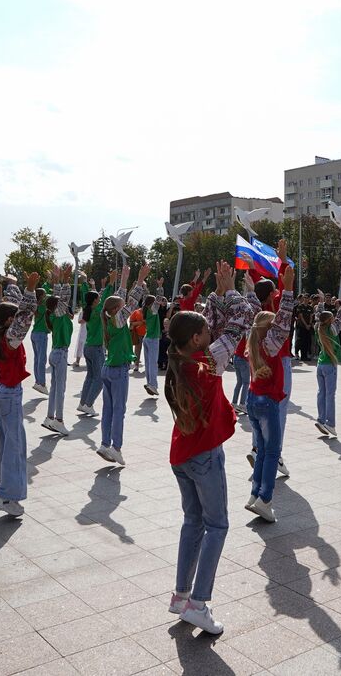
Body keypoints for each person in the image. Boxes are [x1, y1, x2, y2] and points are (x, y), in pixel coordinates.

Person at [165, 261, 251, 636]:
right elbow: (242, 318)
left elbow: (214, 325)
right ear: (198, 339)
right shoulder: (209, 362)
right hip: (203, 455)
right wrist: (230, 291)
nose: (209, 331)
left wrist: (216, 294)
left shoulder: (186, 359)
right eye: (204, 331)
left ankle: (181, 595)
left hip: (182, 455)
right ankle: (198, 604)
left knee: (193, 522)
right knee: (217, 525)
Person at [243, 265, 296, 521]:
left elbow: (257, 313)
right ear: (270, 329)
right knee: (272, 452)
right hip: (267, 402)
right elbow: (284, 318)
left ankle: (255, 495)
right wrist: (289, 289)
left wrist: (250, 290)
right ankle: (265, 500)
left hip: (253, 399)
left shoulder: (254, 340)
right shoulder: (271, 344)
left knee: (263, 451)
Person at [0, 273, 39, 516]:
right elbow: (25, 319)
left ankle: (4, 492)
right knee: (14, 448)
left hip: (3, 392)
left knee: (9, 444)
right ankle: (5, 496)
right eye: (13, 317)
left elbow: (20, 315)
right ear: (9, 320)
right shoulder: (10, 337)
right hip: (9, 394)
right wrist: (30, 290)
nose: (18, 320)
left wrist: (21, 290)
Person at [96, 264, 151, 465]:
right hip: (118, 370)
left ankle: (104, 444)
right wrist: (139, 281)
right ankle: (116, 447)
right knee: (119, 410)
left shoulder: (109, 318)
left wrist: (124, 280)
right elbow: (131, 302)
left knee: (108, 410)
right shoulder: (118, 320)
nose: (126, 306)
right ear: (117, 310)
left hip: (108, 369)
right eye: (122, 306)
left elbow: (119, 299)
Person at [312, 289, 341, 437]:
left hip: (320, 364)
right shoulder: (332, 330)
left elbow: (319, 315)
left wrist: (321, 301)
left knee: (321, 393)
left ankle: (321, 419)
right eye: (332, 317)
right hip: (330, 364)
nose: (334, 318)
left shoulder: (318, 328)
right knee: (330, 395)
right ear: (330, 320)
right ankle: (330, 423)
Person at [76, 272, 115, 418]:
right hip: (96, 348)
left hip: (88, 347)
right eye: (97, 298)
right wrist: (110, 283)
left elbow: (85, 295)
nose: (99, 299)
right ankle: (88, 404)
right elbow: (105, 299)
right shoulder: (97, 311)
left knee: (90, 376)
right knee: (100, 378)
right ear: (94, 301)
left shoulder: (88, 309)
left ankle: (82, 403)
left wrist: (84, 282)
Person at [42, 266, 74, 436]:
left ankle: (49, 417)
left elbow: (57, 298)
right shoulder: (59, 315)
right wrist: (66, 280)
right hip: (60, 353)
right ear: (58, 306)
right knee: (60, 389)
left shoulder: (54, 314)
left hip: (55, 353)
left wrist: (56, 280)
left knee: (55, 387)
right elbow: (64, 298)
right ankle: (59, 420)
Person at [141, 285, 169, 397]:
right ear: (151, 303)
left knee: (148, 363)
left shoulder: (146, 310)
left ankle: (149, 383)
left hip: (147, 338)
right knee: (153, 363)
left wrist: (145, 288)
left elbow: (147, 297)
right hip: (152, 339)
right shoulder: (152, 311)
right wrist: (160, 286)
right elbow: (159, 298)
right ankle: (152, 385)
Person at [29, 280, 50, 395]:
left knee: (37, 359)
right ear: (41, 296)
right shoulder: (42, 306)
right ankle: (41, 383)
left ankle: (38, 381)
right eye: (44, 295)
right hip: (41, 334)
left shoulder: (35, 305)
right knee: (42, 360)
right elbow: (50, 298)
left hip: (34, 334)